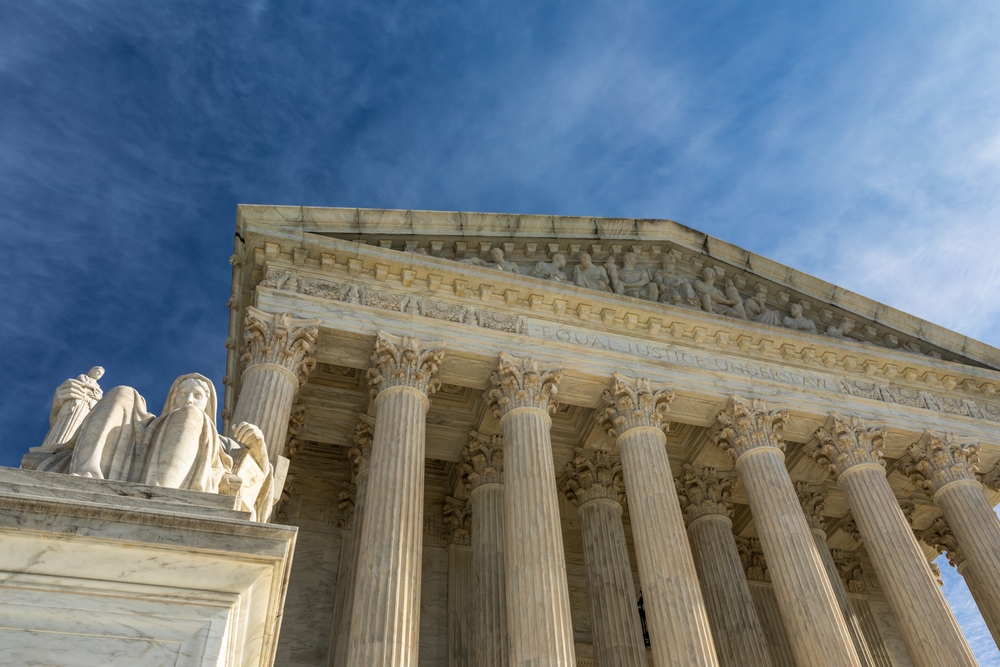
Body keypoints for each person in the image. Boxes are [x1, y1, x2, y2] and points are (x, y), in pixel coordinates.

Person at [35, 372, 274, 521]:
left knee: (190, 416)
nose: (189, 399)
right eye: (182, 394)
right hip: (132, 452)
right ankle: (86, 475)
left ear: (209, 403)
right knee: (123, 392)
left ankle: (162, 495)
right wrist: (75, 407)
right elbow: (61, 450)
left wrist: (259, 447)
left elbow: (258, 483)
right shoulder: (144, 424)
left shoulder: (221, 442)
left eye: (197, 395)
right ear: (172, 398)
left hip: (180, 490)